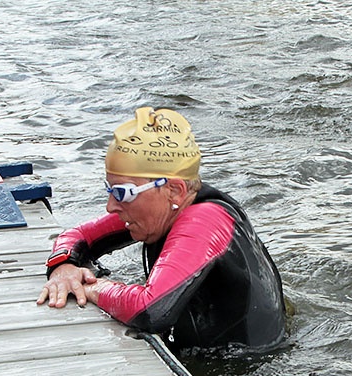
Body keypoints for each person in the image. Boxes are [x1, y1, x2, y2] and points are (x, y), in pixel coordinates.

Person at [37, 106, 287, 353]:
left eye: (123, 193)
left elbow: (150, 309)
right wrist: (65, 267)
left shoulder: (205, 220)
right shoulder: (161, 208)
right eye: (110, 190)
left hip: (246, 370)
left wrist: (91, 287)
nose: (111, 205)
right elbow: (77, 236)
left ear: (175, 190)